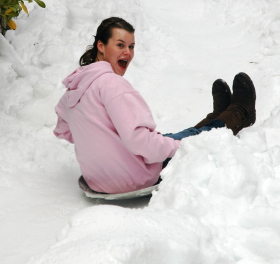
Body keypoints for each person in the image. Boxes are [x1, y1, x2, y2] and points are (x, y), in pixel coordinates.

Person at [54, 17, 256, 194]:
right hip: (134, 176)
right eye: (120, 45)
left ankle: (216, 117)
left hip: (97, 179)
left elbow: (64, 130)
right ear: (101, 46)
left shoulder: (75, 88)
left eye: (131, 47)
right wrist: (183, 147)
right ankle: (239, 114)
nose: (128, 53)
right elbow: (141, 142)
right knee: (186, 141)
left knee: (175, 137)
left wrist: (101, 140)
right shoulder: (111, 84)